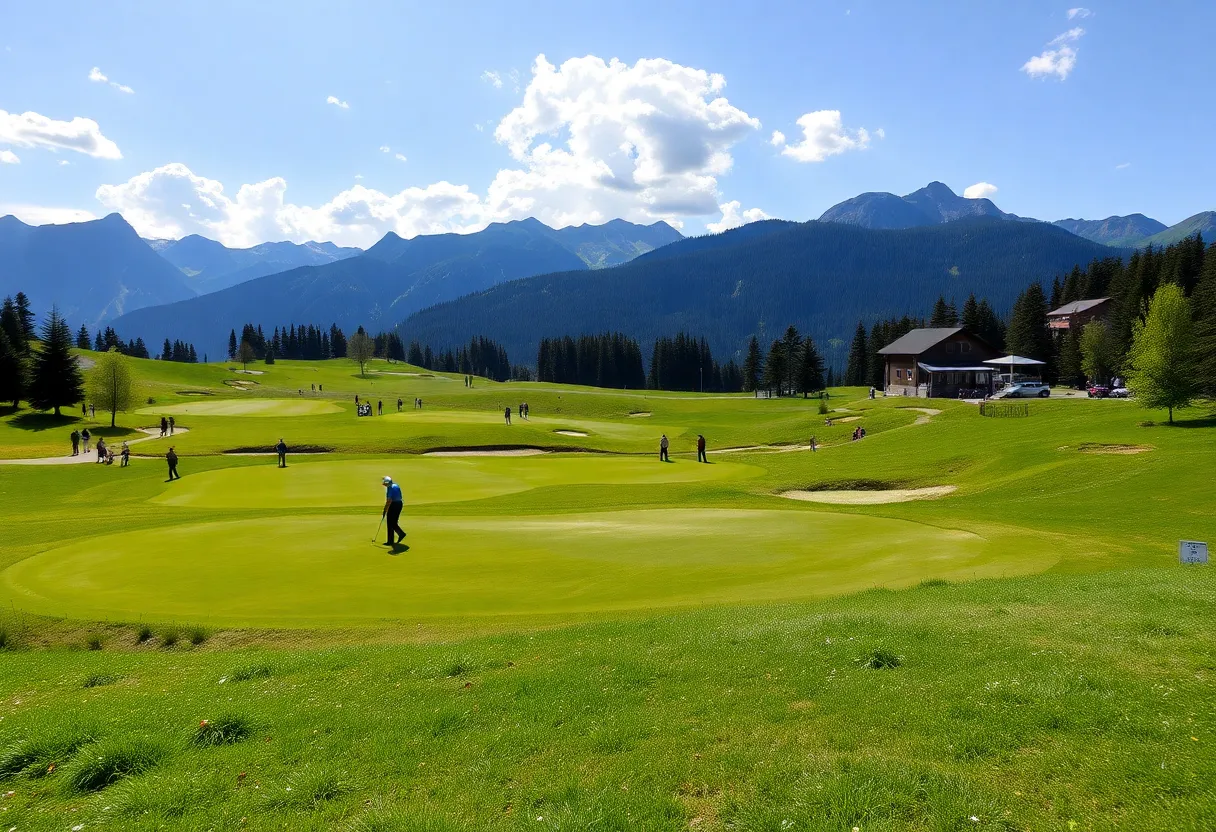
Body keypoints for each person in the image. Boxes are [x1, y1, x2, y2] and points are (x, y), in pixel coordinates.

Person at [381, 475, 406, 545]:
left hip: (394, 505)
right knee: (393, 522)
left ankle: (399, 535)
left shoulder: (390, 489)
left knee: (391, 522)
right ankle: (393, 539)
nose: (385, 485)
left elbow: (389, 501)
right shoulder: (396, 485)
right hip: (399, 504)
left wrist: (385, 510)